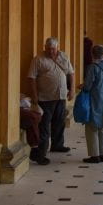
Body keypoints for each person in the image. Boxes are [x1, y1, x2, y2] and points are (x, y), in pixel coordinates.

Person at [27, 37, 74, 165]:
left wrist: (71, 90)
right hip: (46, 98)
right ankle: (41, 155)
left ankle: (57, 145)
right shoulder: (38, 59)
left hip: (61, 96)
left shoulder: (63, 56)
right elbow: (31, 77)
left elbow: (71, 73)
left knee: (59, 121)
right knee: (44, 126)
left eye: (53, 49)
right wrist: (34, 95)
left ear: (57, 48)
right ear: (45, 47)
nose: (50, 51)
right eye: (48, 49)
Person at [82, 44, 103, 163]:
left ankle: (94, 155)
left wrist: (82, 86)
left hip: (95, 98)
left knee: (92, 127)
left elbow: (88, 86)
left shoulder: (92, 67)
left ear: (92, 54)